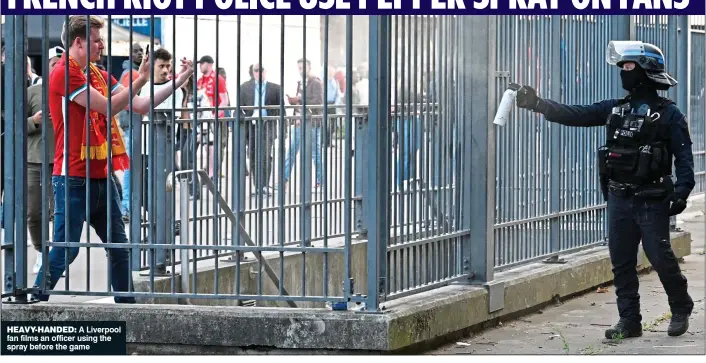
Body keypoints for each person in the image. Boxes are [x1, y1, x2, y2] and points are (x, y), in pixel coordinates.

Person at [514, 41, 695, 338]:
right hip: (619, 197)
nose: (623, 73)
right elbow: (577, 114)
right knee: (621, 261)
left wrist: (682, 191)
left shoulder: (668, 114)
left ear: (645, 70)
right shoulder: (616, 109)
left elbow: (684, 157)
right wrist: (538, 103)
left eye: (627, 66)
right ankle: (629, 320)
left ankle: (680, 306)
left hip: (651, 198)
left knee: (659, 256)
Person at [32, 16, 193, 303]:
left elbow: (141, 105)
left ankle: (126, 305)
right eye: (96, 40)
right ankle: (36, 296)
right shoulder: (64, 74)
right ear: (78, 42)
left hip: (101, 177)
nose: (102, 45)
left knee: (119, 247)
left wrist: (179, 81)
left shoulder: (99, 75)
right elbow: (107, 107)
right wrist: (141, 79)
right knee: (67, 248)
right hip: (71, 178)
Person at [25, 46, 63, 273]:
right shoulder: (33, 92)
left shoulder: (74, 91)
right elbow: (14, 125)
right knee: (34, 212)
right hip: (35, 160)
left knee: (61, 212)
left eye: (61, 64)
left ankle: (57, 255)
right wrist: (34, 121)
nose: (58, 68)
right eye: (53, 64)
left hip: (64, 160)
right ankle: (42, 252)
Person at [240, 63, 282, 196]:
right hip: (251, 125)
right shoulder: (244, 88)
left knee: (264, 154)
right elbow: (239, 108)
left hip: (267, 124)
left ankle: (263, 185)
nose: (259, 73)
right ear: (252, 72)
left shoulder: (275, 88)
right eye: (256, 70)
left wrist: (283, 130)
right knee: (252, 155)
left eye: (261, 70)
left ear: (265, 71)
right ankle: (257, 186)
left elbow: (282, 109)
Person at [283, 58, 324, 190]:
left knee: (315, 153)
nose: (301, 71)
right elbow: (301, 102)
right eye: (299, 68)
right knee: (292, 150)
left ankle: (320, 181)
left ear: (309, 67)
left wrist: (300, 99)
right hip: (300, 121)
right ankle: (284, 179)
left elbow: (318, 102)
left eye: (303, 68)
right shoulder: (301, 83)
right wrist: (293, 101)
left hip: (312, 122)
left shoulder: (316, 82)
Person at [118, 43, 145, 223]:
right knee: (131, 166)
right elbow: (127, 100)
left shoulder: (134, 72)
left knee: (134, 165)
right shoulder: (132, 74)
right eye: (136, 51)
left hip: (133, 122)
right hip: (132, 123)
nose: (139, 54)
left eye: (141, 51)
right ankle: (127, 206)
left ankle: (129, 205)